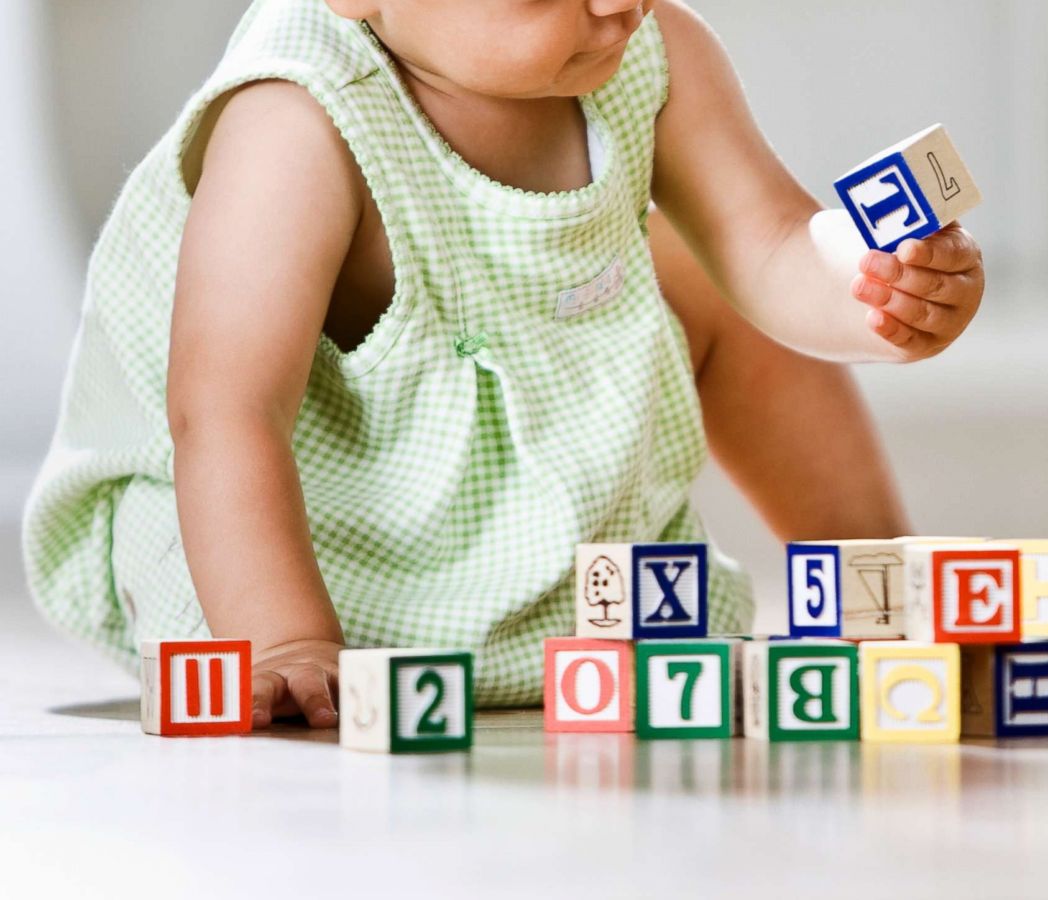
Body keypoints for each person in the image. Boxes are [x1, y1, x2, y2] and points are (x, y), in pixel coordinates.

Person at [23, 0, 985, 728]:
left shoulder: (648, 53)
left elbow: (771, 251)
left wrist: (880, 286)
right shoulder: (298, 119)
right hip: (301, 540)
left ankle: (878, 580)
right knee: (251, 572)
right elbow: (224, 409)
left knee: (697, 272)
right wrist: (284, 640)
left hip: (534, 473)